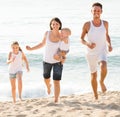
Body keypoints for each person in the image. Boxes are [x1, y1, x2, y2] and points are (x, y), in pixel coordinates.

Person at [26, 17, 63, 103]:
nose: (55, 25)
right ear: (51, 25)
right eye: (53, 24)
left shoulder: (62, 35)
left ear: (60, 25)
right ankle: (48, 86)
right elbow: (42, 44)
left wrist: (60, 55)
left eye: (56, 24)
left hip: (58, 62)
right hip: (46, 61)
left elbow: (64, 49)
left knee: (56, 81)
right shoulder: (47, 33)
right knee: (46, 78)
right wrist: (31, 49)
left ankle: (56, 99)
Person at [80, 2, 112, 99]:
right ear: (91, 11)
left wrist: (109, 44)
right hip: (90, 53)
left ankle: (101, 81)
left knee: (104, 66)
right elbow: (81, 39)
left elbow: (107, 36)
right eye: (94, 10)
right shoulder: (87, 24)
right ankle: (95, 95)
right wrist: (88, 44)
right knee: (93, 75)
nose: (96, 12)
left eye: (98, 10)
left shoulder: (105, 23)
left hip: (102, 51)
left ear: (101, 11)